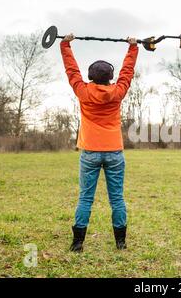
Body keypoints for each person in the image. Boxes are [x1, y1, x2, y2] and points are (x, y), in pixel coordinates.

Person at [60, 33, 139, 252]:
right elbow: (127, 72)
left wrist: (65, 45)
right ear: (110, 78)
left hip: (90, 152)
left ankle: (77, 244)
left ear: (91, 77)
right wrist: (133, 48)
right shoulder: (117, 91)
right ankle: (120, 243)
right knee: (117, 198)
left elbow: (71, 70)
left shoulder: (83, 91)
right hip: (114, 151)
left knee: (85, 198)